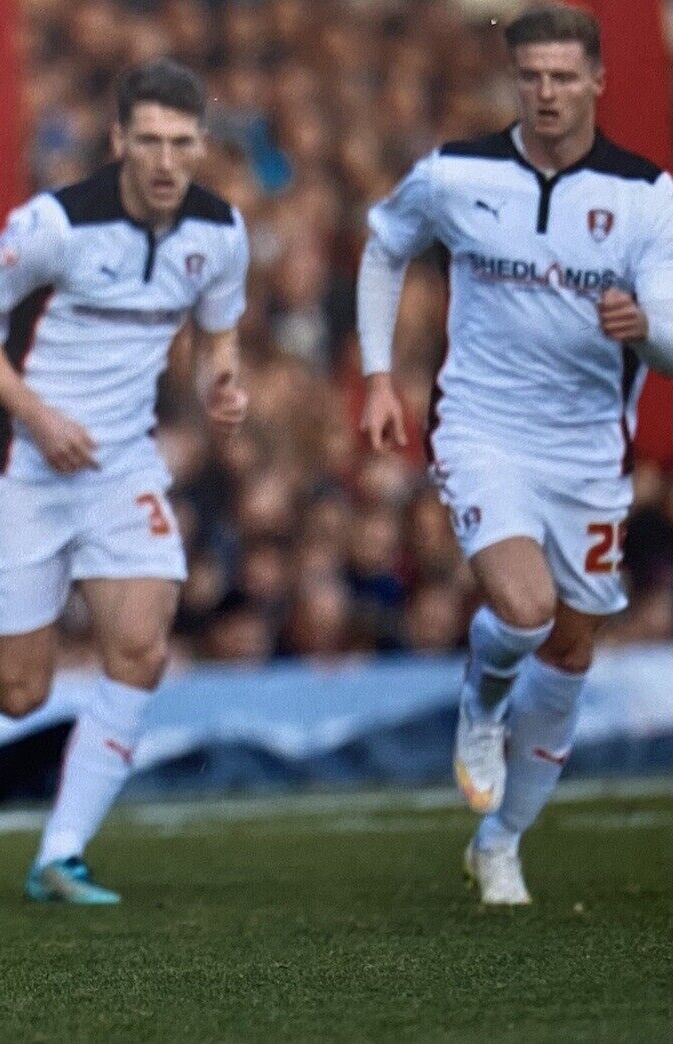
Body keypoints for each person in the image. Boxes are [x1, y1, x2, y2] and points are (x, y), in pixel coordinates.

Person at [357, 5, 673, 905]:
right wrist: (380, 375)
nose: (546, 93)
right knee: (526, 608)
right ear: (515, 81)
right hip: (482, 427)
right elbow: (385, 250)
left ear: (598, 83)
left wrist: (647, 332)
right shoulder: (456, 174)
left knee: (571, 654)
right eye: (531, 77)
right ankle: (481, 699)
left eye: (564, 78)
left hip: (587, 453)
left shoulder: (649, 197)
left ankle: (500, 843)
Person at [0, 59, 250, 903]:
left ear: (201, 145)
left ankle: (60, 853)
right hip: (21, 463)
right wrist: (35, 413)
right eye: (148, 140)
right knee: (20, 690)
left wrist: (222, 377)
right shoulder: (56, 224)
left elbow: (218, 334)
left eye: (182, 142)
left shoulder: (219, 233)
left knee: (142, 647)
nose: (165, 159)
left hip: (120, 462)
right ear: (118, 141)